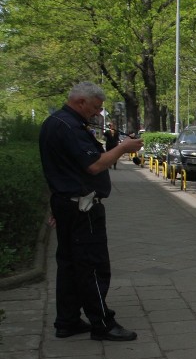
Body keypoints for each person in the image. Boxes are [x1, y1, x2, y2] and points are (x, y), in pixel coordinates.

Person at [39, 82, 144, 342]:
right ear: (80, 102)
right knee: (92, 266)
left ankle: (67, 320)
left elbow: (60, 168)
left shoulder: (54, 122)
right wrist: (122, 148)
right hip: (82, 207)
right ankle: (102, 323)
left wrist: (59, 202)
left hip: (67, 202)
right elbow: (94, 165)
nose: (97, 113)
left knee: (69, 265)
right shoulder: (70, 127)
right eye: (95, 108)